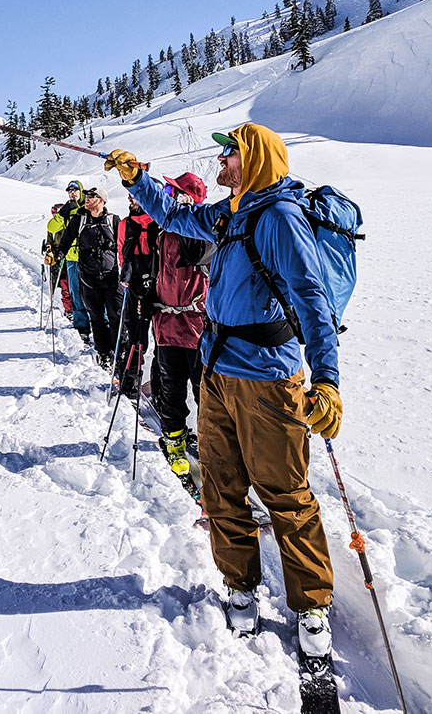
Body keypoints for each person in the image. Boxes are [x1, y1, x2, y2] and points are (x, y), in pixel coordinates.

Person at [104, 124, 343, 654]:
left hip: (268, 381)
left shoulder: (279, 217)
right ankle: (240, 585)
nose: (219, 161)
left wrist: (327, 380)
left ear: (253, 159)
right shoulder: (228, 212)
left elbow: (313, 300)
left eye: (228, 153)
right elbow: (174, 215)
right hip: (215, 374)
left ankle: (312, 607)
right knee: (221, 485)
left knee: (287, 495)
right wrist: (138, 180)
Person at [146, 173, 212, 479]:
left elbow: (198, 255)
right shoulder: (162, 233)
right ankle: (174, 441)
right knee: (170, 389)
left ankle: (212, 446)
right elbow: (159, 273)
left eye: (173, 191)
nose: (168, 195)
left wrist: (187, 215)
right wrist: (147, 295)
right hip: (166, 325)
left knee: (204, 393)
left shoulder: (205, 230)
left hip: (196, 328)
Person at [59, 187, 121, 367]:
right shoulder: (79, 220)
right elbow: (65, 241)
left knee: (116, 316)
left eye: (92, 196)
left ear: (102, 200)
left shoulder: (113, 220)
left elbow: (124, 244)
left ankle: (118, 352)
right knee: (96, 317)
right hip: (88, 277)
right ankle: (104, 353)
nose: (87, 198)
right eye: (86, 195)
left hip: (112, 277)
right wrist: (58, 254)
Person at [115, 194, 158, 398]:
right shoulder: (125, 224)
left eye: (135, 197)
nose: (131, 201)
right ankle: (130, 381)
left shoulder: (159, 222)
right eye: (130, 198)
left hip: (158, 285)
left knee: (161, 338)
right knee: (135, 334)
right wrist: (125, 272)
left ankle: (158, 384)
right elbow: (121, 249)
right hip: (134, 284)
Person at [46, 180, 90, 342]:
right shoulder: (67, 209)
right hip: (72, 257)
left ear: (81, 190)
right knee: (75, 293)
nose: (72, 193)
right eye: (69, 191)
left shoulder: (88, 203)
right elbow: (51, 228)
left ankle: (102, 322)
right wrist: (63, 213)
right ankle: (81, 326)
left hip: (89, 257)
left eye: (75, 190)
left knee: (94, 292)